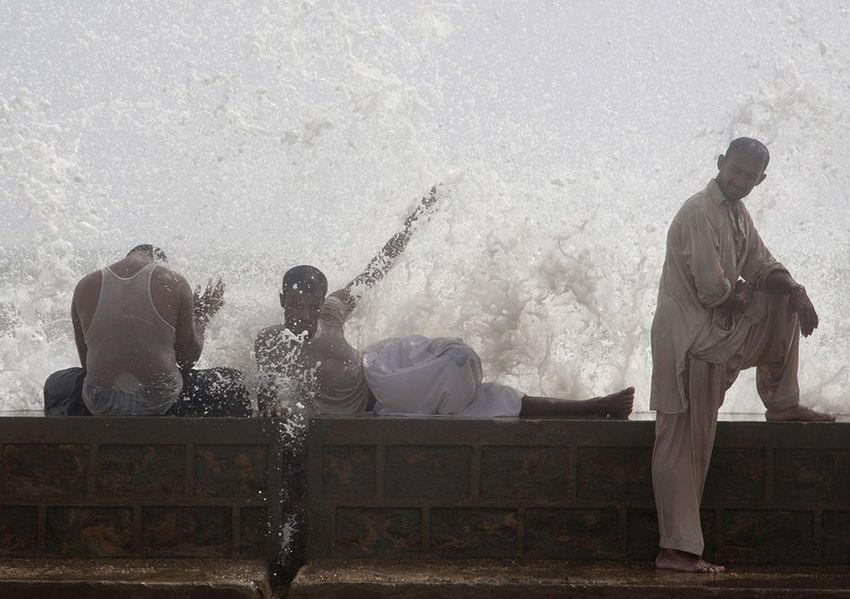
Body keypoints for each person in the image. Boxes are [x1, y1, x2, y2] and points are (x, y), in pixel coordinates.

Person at [255, 188, 634, 419]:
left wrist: (412, 224)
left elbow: (376, 270)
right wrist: (275, 407)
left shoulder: (334, 312)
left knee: (460, 361)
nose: (300, 316)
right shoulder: (270, 342)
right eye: (293, 306)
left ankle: (591, 404)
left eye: (309, 307)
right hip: (379, 407)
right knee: (492, 401)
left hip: (386, 372)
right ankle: (591, 406)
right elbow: (273, 391)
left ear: (322, 303)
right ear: (282, 300)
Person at [650, 138, 835, 574]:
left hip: (718, 336)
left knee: (785, 297)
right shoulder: (699, 211)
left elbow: (760, 264)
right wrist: (742, 292)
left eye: (750, 177)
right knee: (684, 442)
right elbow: (715, 290)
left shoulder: (737, 214)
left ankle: (783, 403)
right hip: (690, 344)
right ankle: (675, 551)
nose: (741, 181)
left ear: (760, 180)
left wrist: (796, 291)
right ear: (720, 164)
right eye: (735, 171)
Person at [44, 244, 250, 417]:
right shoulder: (173, 281)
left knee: (55, 381)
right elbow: (188, 360)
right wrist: (202, 316)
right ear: (159, 263)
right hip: (160, 401)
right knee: (233, 380)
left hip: (99, 402)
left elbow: (86, 364)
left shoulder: (85, 285)